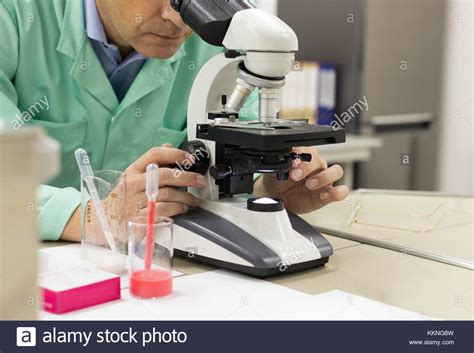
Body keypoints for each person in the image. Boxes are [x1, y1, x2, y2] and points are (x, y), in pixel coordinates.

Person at [0, 0, 349, 243]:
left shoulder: (217, 33)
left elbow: (237, 152)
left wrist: (268, 190)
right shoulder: (15, 14)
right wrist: (89, 217)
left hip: (159, 268)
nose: (178, 17)